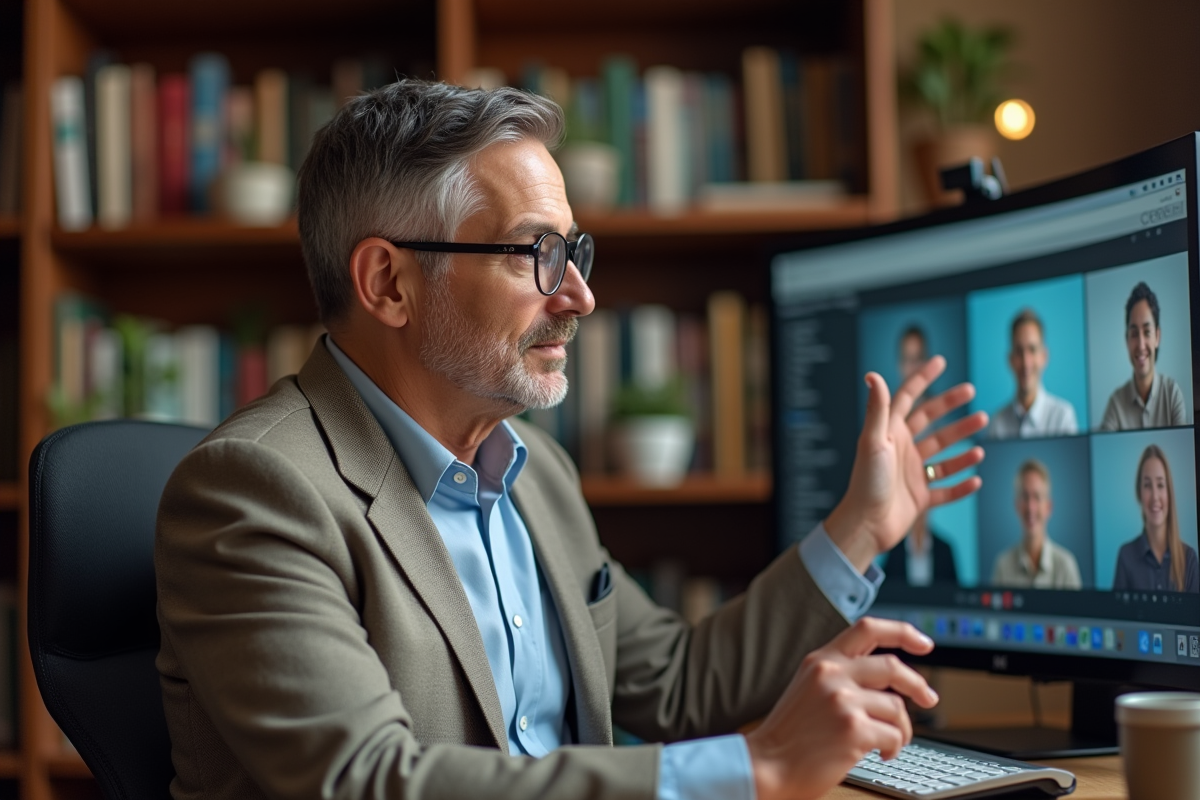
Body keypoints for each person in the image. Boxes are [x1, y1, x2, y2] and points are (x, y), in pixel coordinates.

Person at [155, 80, 987, 800]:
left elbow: (678, 684)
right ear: (389, 283)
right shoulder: (257, 489)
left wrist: (863, 525)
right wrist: (756, 769)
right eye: (537, 254)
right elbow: (370, 780)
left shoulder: (535, 472)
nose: (581, 297)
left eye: (575, 251)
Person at [884, 326, 959, 585]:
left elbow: (933, 469)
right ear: (899, 365)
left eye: (918, 358)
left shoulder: (942, 417)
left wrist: (924, 473)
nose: (913, 367)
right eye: (908, 359)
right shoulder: (888, 422)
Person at [1100, 282, 1188, 430]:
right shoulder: (1115, 403)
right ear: (1126, 340)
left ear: (1157, 337)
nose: (1140, 345)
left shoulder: (1172, 394)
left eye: (1147, 332)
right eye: (1134, 334)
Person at [1113, 445, 1199, 592]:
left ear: (1169, 493)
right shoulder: (1126, 556)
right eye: (1147, 485)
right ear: (1139, 493)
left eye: (1160, 485)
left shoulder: (1189, 559)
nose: (1155, 497)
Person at [991, 459, 1082, 589]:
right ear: (1017, 505)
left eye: (1037, 497)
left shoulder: (1066, 565)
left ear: (1049, 507)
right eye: (1025, 497)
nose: (1030, 507)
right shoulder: (1002, 565)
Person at [988, 308, 1078, 440]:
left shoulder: (1063, 416)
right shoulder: (996, 423)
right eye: (1019, 351)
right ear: (1010, 359)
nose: (1026, 363)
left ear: (1044, 357)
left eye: (1032, 349)